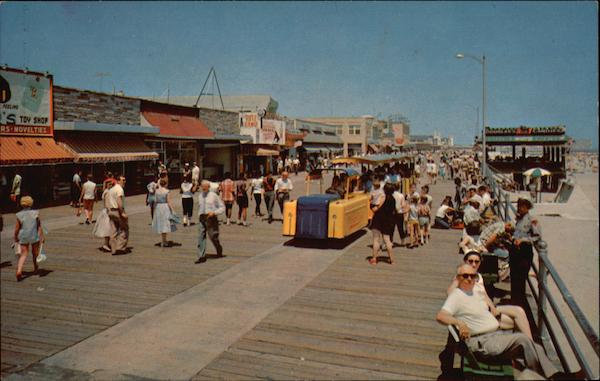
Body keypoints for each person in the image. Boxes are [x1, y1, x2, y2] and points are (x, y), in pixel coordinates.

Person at [436, 264, 559, 380]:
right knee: (522, 340)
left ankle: (549, 375)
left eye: (472, 276)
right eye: (465, 276)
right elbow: (441, 316)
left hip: (496, 336)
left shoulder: (476, 293)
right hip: (483, 342)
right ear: (458, 278)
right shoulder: (457, 296)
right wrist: (460, 323)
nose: (469, 278)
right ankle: (549, 376)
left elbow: (492, 310)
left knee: (535, 347)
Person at [449, 251, 532, 339]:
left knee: (519, 311)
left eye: (476, 262)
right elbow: (450, 292)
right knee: (517, 321)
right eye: (470, 261)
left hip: (487, 310)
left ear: (480, 263)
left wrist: (492, 308)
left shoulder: (479, 276)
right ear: (465, 262)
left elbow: (485, 295)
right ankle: (531, 346)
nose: (473, 264)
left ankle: (528, 345)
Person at [510, 195, 540, 308]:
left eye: (522, 206)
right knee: (514, 277)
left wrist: (523, 240)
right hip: (515, 252)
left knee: (520, 279)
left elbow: (537, 237)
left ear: (527, 207)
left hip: (524, 253)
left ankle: (519, 304)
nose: (519, 208)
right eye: (518, 205)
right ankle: (514, 302)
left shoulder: (532, 220)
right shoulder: (519, 218)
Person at [13, 196, 45, 281]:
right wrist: (42, 236)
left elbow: (17, 228)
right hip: (34, 235)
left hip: (23, 236)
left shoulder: (19, 214)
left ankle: (19, 270)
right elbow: (39, 226)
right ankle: (36, 268)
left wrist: (15, 237)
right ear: (31, 203)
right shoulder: (35, 213)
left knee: (24, 254)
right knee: (35, 253)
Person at [195, 179, 225, 263]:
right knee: (201, 236)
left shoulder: (214, 195)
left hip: (211, 218)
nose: (203, 189)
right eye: (202, 187)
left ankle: (218, 248)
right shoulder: (200, 196)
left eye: (205, 188)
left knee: (213, 236)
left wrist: (214, 212)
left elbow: (222, 207)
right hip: (202, 218)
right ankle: (201, 256)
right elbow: (200, 207)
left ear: (209, 187)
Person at [369, 183, 396, 265]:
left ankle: (374, 259)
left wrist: (371, 206)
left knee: (376, 239)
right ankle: (392, 260)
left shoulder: (383, 197)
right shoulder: (393, 199)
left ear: (384, 189)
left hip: (378, 219)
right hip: (387, 221)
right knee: (387, 240)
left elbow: (376, 209)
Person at [106, 175, 128, 255]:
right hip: (117, 211)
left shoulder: (111, 189)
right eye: (123, 180)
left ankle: (113, 249)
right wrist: (122, 212)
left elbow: (108, 200)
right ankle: (120, 247)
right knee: (124, 229)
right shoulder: (119, 189)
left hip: (111, 211)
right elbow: (119, 201)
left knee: (113, 231)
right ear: (118, 181)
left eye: (125, 180)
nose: (124, 182)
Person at [93, 180, 115, 252]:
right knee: (108, 229)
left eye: (112, 184)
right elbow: (106, 203)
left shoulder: (106, 191)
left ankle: (107, 244)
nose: (111, 186)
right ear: (106, 185)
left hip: (105, 211)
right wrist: (109, 210)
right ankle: (105, 244)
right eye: (109, 184)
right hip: (107, 212)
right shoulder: (107, 192)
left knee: (108, 229)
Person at [153, 178, 175, 247]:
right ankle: (164, 241)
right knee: (165, 223)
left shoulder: (157, 191)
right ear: (165, 184)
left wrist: (154, 209)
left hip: (159, 207)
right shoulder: (167, 191)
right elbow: (169, 201)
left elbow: (155, 201)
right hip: (165, 207)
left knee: (161, 223)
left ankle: (163, 240)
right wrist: (172, 210)